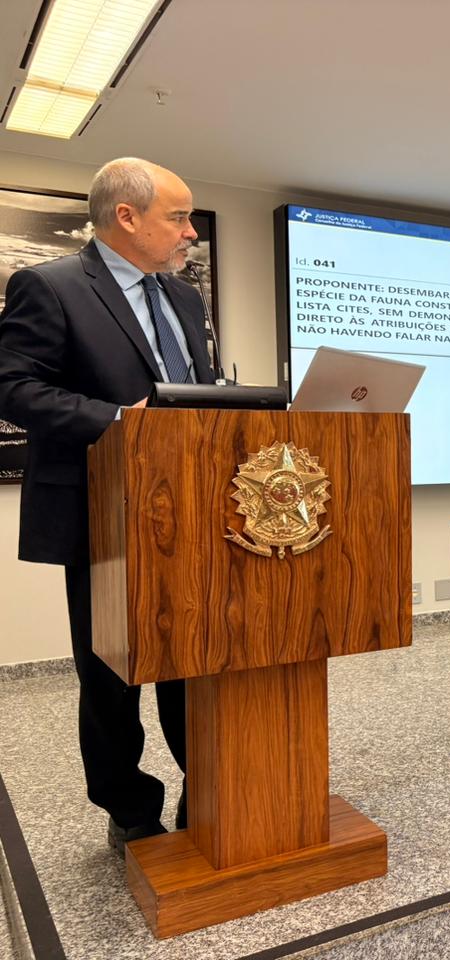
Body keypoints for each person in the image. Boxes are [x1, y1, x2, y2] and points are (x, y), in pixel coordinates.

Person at [0, 157, 214, 856]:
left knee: (193, 658)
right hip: (101, 515)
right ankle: (127, 805)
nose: (189, 232)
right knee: (112, 672)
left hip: (191, 512)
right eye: (178, 217)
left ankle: (205, 787)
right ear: (127, 216)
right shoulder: (50, 286)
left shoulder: (184, 298)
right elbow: (15, 389)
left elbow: (196, 394)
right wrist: (119, 422)